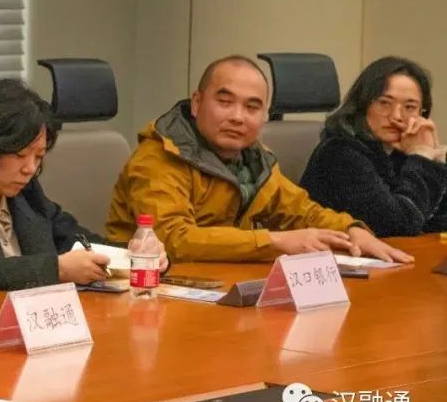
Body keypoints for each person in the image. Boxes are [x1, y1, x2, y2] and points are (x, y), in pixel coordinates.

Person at [108, 55, 413, 264]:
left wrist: (351, 230)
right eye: (224, 102)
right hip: (147, 288)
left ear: (265, 115)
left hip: (220, 282)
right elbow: (173, 239)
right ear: (197, 103)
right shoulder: (160, 156)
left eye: (252, 107)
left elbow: (302, 212)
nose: (237, 117)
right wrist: (275, 242)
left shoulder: (255, 160)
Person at [0, 79, 151, 294]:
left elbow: (80, 242)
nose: (30, 168)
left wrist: (138, 255)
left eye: (39, 156)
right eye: (20, 155)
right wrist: (57, 269)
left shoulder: (26, 195)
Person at [301, 56, 447, 237]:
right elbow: (396, 226)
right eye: (384, 103)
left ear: (422, 113)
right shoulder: (339, 153)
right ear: (362, 104)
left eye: (409, 107)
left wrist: (437, 161)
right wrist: (422, 158)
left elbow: (433, 219)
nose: (396, 116)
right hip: (334, 253)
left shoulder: (401, 151)